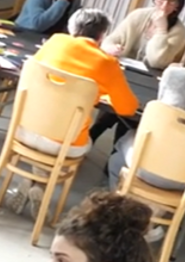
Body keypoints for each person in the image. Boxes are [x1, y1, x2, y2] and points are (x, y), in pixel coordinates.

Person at [108, 29, 185, 190]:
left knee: (121, 148)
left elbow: (161, 107)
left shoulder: (175, 74)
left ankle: (118, 201)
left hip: (150, 167)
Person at [24, 9, 139, 159]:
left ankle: (38, 165)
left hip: (25, 128)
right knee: (86, 142)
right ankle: (48, 168)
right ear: (102, 35)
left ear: (72, 28)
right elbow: (128, 108)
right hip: (66, 143)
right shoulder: (107, 63)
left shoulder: (55, 41)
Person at [102, 0, 185, 69]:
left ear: (178, 4)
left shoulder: (179, 31)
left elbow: (156, 62)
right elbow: (109, 41)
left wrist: (161, 30)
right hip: (121, 68)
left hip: (150, 76)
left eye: (171, 1)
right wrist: (111, 48)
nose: (165, 5)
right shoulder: (138, 15)